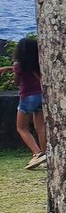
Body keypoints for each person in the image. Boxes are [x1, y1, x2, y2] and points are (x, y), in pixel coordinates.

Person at [0, 36, 47, 170]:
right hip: (41, 96)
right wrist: (9, 68)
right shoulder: (38, 63)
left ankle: (37, 153)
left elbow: (17, 81)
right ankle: (46, 155)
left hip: (27, 97)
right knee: (41, 127)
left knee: (22, 128)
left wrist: (13, 70)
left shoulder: (19, 65)